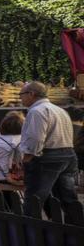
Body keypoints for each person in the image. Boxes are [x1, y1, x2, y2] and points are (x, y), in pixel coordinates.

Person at [17, 81, 83, 225]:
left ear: (31, 94)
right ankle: (76, 231)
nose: (20, 98)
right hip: (68, 155)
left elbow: (35, 139)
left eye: (21, 94)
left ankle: (29, 232)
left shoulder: (37, 111)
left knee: (34, 197)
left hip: (48, 157)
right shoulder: (60, 110)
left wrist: (27, 160)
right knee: (68, 197)